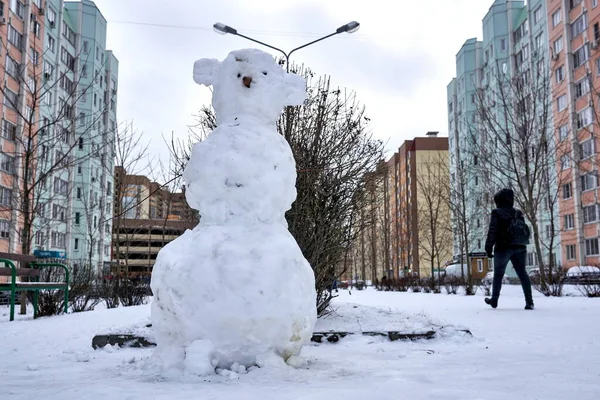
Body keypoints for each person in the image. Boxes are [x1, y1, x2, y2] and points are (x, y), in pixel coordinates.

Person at [484, 188, 534, 310]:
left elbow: (493, 231)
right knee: (522, 274)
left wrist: (488, 247)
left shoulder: (496, 212)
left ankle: (494, 299)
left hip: (503, 247)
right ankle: (529, 302)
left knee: (498, 275)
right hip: (520, 247)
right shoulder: (518, 213)